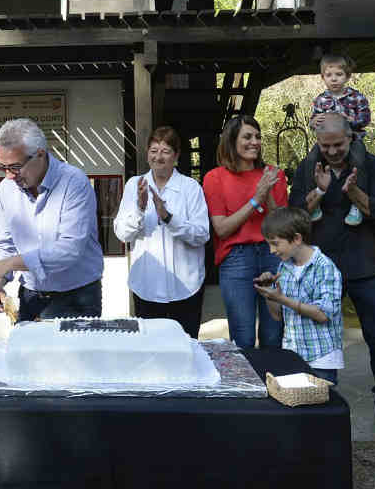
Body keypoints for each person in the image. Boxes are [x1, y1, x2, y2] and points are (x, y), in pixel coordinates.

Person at [289, 112, 375, 444]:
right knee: (320, 344)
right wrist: (319, 193)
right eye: (326, 146)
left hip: (367, 267)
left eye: (338, 144)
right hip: (322, 269)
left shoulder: (373, 166)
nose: (333, 151)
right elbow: (295, 216)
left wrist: (354, 194)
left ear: (350, 138)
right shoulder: (308, 168)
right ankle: (319, 413)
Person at [0, 118, 104, 321]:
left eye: (15, 167)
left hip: (76, 295)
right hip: (31, 294)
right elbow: (3, 244)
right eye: (3, 167)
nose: (9, 175)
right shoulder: (6, 188)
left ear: (40, 155)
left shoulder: (74, 183)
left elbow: (68, 251)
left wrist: (9, 264)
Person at [113, 126, 210, 336]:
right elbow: (122, 233)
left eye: (165, 151)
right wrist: (139, 208)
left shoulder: (190, 188)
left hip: (186, 285)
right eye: (154, 150)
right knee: (151, 351)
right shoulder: (134, 185)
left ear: (176, 156)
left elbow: (202, 234)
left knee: (186, 348)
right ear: (147, 153)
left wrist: (167, 217)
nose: (158, 157)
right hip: (146, 286)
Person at [202, 115, 287, 350]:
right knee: (243, 337)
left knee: (273, 334)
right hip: (236, 258)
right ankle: (249, 386)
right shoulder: (215, 178)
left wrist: (267, 193)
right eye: (247, 137)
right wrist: (255, 200)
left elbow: (282, 226)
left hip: (272, 255)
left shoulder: (273, 175)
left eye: (258, 137)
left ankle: (272, 386)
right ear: (231, 141)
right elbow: (222, 228)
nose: (255, 142)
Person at [254, 207, 344, 384]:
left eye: (275, 243)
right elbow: (277, 315)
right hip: (293, 356)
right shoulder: (284, 267)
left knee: (320, 410)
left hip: (321, 359)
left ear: (296, 238)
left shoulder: (324, 267)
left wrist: (282, 299)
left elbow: (323, 315)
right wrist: (269, 293)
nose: (272, 250)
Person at [303, 54, 371, 226]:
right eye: (329, 75)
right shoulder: (320, 100)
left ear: (347, 76)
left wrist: (346, 119)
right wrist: (313, 122)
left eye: (339, 75)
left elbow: (365, 119)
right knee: (311, 160)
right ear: (323, 77)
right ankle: (315, 199)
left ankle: (356, 204)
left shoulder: (357, 97)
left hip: (353, 140)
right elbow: (315, 122)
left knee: (359, 161)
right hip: (327, 143)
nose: (334, 79)